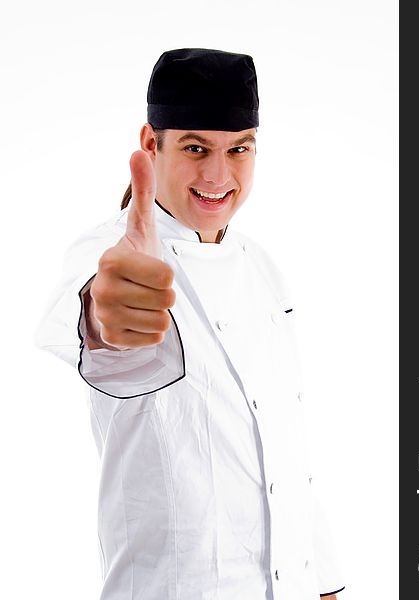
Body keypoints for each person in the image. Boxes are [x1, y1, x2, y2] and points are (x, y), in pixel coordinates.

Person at [36, 48, 345, 600]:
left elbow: (284, 448)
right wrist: (108, 316)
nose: (218, 176)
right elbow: (105, 337)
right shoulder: (109, 252)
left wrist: (325, 582)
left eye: (239, 149)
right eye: (195, 147)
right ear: (151, 144)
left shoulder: (264, 267)